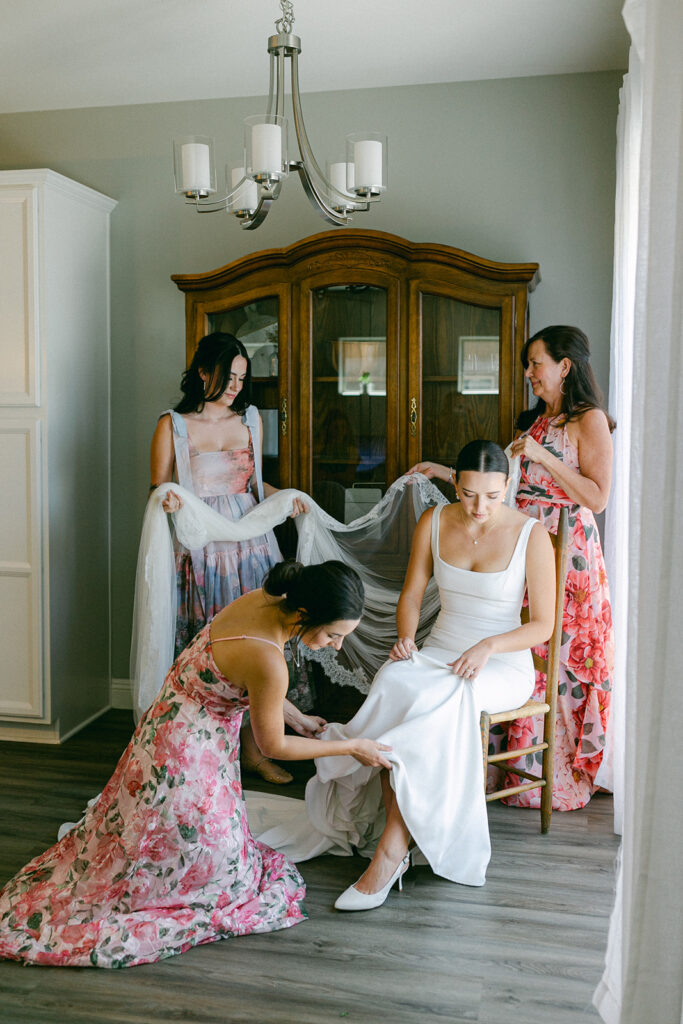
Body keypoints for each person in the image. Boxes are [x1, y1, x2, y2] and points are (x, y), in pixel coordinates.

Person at [0, 562, 391, 968]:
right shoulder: (270, 661)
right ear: (304, 615)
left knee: (158, 831)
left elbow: (247, 679)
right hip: (190, 751)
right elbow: (271, 744)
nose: (337, 646)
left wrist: (300, 719)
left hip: (166, 721)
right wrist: (352, 747)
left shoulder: (264, 600)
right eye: (334, 635)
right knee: (211, 866)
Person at [257, 441, 555, 906]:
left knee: (448, 698)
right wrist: (407, 637)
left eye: (494, 496)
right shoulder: (434, 522)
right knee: (395, 680)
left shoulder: (531, 535)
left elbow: (543, 625)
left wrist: (488, 646)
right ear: (454, 482)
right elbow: (412, 594)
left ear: (507, 487)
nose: (481, 507)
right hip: (441, 651)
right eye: (471, 493)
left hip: (500, 661)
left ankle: (391, 853)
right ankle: (402, 834)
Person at [407, 325, 615, 811]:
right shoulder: (535, 420)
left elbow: (598, 498)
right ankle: (501, 766)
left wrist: (543, 455)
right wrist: (445, 473)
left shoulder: (590, 421)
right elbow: (498, 480)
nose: (528, 374)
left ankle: (559, 774)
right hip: (516, 546)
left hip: (568, 556)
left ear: (564, 366)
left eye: (535, 363)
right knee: (524, 657)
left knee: (563, 658)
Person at [149, 331, 306, 785]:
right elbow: (158, 489)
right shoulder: (172, 426)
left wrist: (292, 499)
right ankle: (205, 756)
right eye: (228, 376)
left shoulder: (251, 420)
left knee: (257, 642)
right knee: (207, 645)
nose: (236, 385)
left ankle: (257, 752)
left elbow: (255, 488)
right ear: (203, 373)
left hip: (251, 544)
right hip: (202, 549)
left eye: (242, 376)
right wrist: (169, 500)